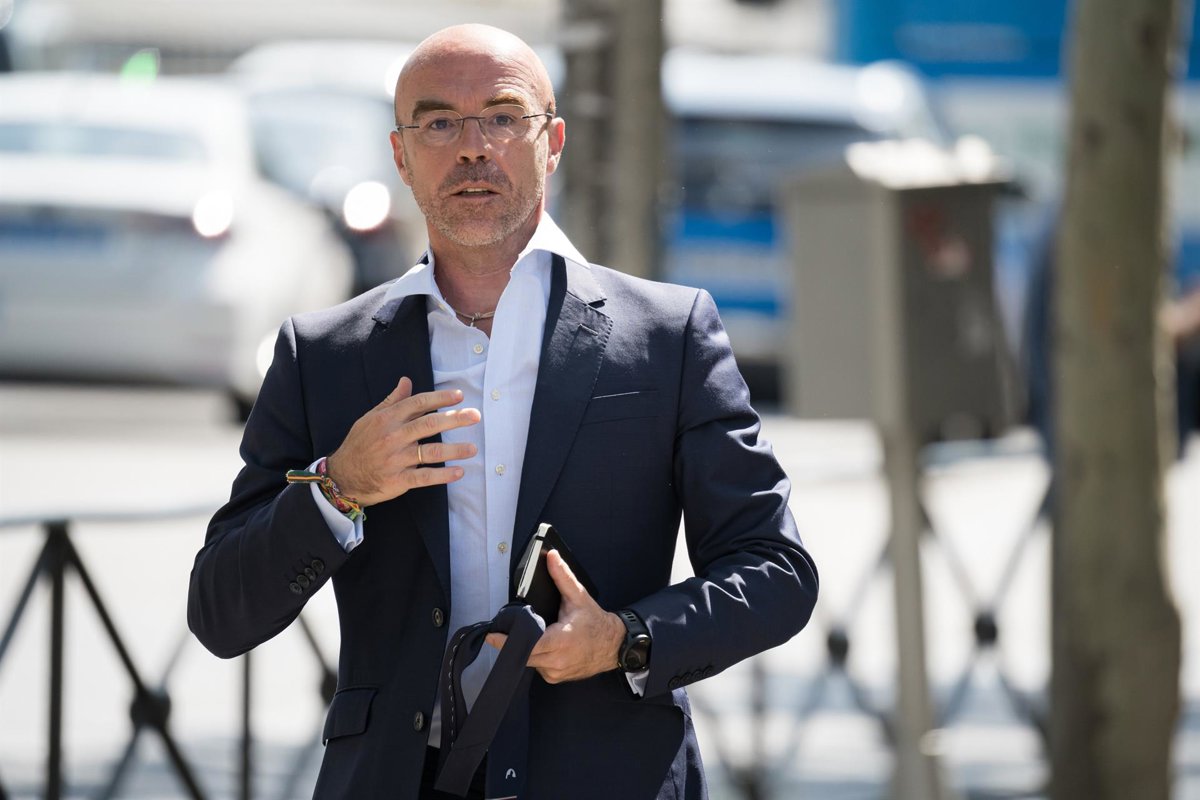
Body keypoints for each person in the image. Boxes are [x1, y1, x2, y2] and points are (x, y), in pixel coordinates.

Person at [188, 24, 818, 800]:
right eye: (439, 123)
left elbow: (776, 571)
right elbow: (220, 612)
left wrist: (625, 639)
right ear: (400, 156)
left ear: (552, 142)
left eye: (502, 116)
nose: (472, 147)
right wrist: (337, 487)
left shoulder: (669, 335)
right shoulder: (324, 355)